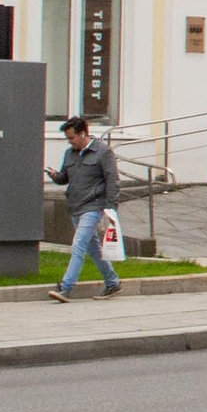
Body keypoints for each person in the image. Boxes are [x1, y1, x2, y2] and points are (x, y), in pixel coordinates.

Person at [51, 113, 123, 300]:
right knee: (94, 249)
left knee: (78, 244)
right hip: (76, 205)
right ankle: (113, 283)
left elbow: (113, 180)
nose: (69, 142)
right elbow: (65, 178)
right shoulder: (70, 154)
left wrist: (110, 207)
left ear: (83, 134)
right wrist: (55, 177)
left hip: (94, 206)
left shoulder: (103, 152)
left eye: (72, 138)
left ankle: (66, 287)